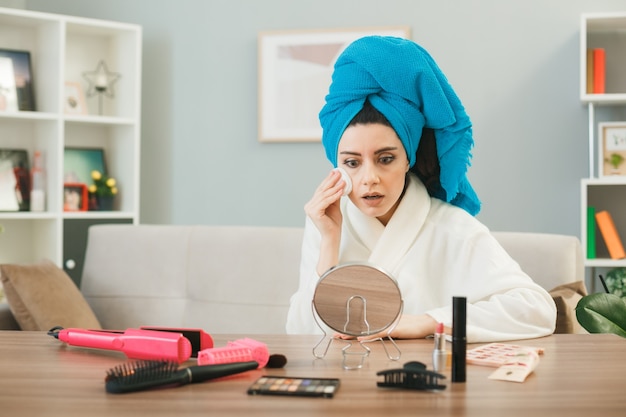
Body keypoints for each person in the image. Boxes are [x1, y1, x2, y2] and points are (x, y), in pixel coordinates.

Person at [285, 36, 556, 343]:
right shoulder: (326, 224)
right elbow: (299, 333)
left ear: (407, 160)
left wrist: (428, 322)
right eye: (352, 162)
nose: (369, 178)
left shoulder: (452, 227)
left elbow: (537, 309)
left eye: (385, 159)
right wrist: (329, 244)